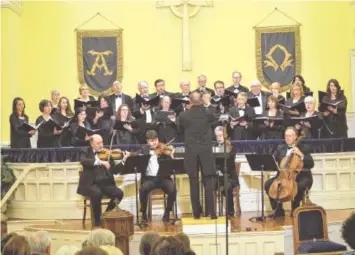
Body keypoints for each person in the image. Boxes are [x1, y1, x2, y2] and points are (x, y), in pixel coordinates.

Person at [178, 91, 217, 219]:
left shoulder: (184, 115)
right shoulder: (208, 113)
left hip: (191, 152)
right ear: (201, 100)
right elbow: (214, 118)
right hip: (206, 152)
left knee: (193, 181)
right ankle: (211, 212)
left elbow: (179, 130)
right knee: (209, 180)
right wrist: (205, 105)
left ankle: (196, 214)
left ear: (189, 101)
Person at [77, 134, 129, 227]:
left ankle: (105, 215)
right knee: (96, 193)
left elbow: (115, 170)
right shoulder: (85, 151)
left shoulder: (107, 153)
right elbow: (83, 160)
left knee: (119, 193)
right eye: (98, 143)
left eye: (102, 142)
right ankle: (97, 221)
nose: (101, 145)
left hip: (105, 183)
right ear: (92, 144)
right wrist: (100, 162)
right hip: (92, 183)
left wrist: (124, 160)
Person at [264, 127, 314, 217]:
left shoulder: (303, 147)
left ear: (295, 137)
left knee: (298, 185)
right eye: (286, 136)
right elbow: (273, 159)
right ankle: (278, 211)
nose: (287, 138)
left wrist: (301, 154)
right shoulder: (280, 147)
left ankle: (295, 209)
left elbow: (311, 163)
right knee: (268, 184)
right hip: (283, 176)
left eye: (290, 136)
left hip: (301, 176)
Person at [138, 130, 177, 223]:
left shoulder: (164, 149)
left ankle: (167, 212)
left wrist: (171, 157)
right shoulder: (144, 150)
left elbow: (170, 165)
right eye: (151, 141)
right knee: (143, 189)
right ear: (147, 142)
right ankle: (143, 213)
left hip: (163, 178)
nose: (154, 142)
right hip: (149, 179)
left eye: (155, 140)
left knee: (173, 190)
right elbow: (137, 157)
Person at [214, 126, 240, 217]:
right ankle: (210, 213)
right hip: (217, 176)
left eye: (220, 135)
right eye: (217, 136)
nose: (219, 138)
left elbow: (229, 164)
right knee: (208, 185)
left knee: (227, 186)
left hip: (229, 177)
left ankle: (230, 212)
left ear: (225, 135)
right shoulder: (213, 147)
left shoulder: (231, 148)